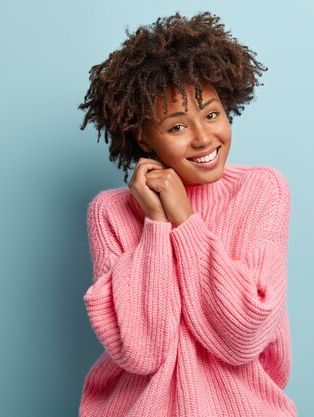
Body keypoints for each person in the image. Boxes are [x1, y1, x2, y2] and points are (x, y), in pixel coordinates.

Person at [76, 11, 298, 417]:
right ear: (143, 135)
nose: (202, 138)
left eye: (212, 114)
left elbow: (243, 336)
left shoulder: (262, 190)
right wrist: (156, 223)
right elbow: (142, 351)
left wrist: (185, 220)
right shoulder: (110, 212)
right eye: (177, 127)